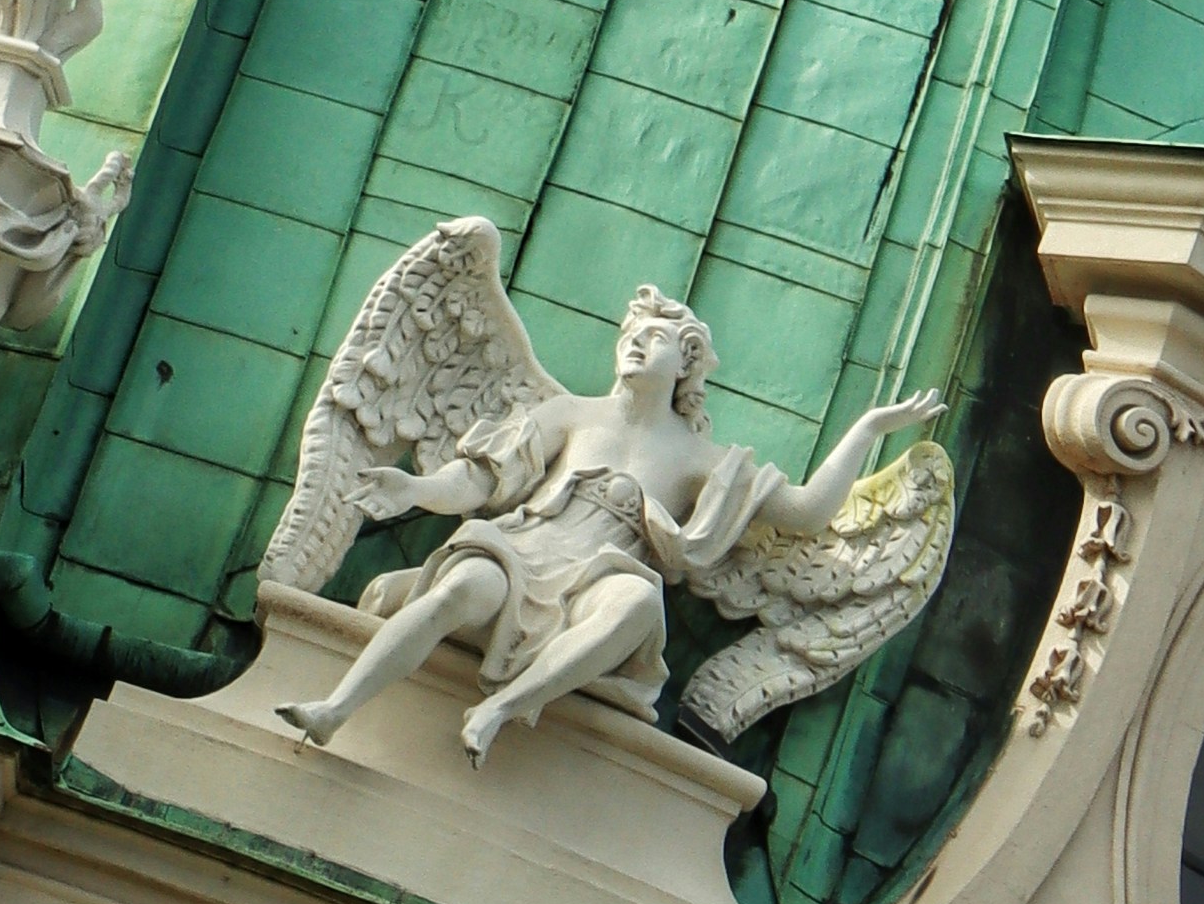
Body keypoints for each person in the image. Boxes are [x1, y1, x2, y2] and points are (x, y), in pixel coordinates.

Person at [280, 288, 942, 765]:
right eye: (629, 334)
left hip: (602, 571)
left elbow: (805, 513)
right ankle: (335, 707)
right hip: (528, 548)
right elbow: (482, 479)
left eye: (650, 338)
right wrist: (416, 487)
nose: (633, 343)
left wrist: (869, 428)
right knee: (461, 589)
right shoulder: (572, 414)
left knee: (634, 598)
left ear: (684, 361)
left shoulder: (698, 460)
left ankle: (503, 707)